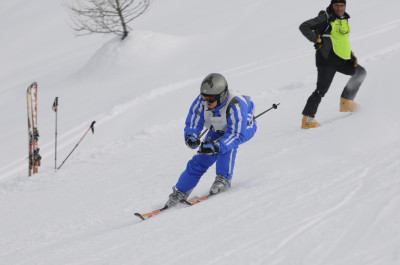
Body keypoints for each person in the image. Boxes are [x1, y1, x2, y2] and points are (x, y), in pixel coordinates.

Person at [165, 73, 257, 207]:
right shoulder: (203, 101)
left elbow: (235, 134)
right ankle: (181, 192)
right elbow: (193, 121)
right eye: (204, 98)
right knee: (201, 159)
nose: (206, 102)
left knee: (225, 148)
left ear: (221, 96)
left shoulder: (236, 105)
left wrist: (217, 146)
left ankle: (223, 178)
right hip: (217, 127)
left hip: (243, 128)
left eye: (210, 100)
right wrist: (191, 135)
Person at [299, 0, 367, 129]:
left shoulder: (344, 19)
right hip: (326, 60)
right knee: (321, 90)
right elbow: (304, 26)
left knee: (360, 72)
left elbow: (341, 40)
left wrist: (351, 56)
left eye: (342, 5)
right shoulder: (324, 18)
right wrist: (316, 39)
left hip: (342, 59)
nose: (340, 8)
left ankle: (346, 102)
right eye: (337, 5)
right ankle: (307, 119)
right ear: (332, 6)